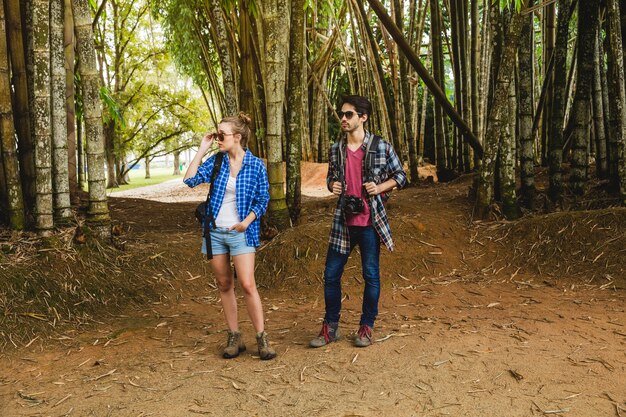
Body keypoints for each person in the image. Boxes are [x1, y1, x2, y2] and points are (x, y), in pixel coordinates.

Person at [310, 95, 407, 348]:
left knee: (371, 275)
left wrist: (380, 187)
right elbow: (331, 178)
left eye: (349, 114)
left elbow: (401, 176)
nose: (343, 118)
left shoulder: (381, 146)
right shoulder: (336, 149)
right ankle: (331, 327)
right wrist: (333, 185)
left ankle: (366, 327)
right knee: (331, 275)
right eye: (342, 114)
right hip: (343, 222)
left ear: (363, 117)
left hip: (371, 222)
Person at [184, 112, 276, 360]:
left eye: (221, 135)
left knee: (247, 284)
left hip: (242, 232)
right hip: (214, 231)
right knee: (225, 284)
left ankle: (261, 337)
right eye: (216, 135)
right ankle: (234, 335)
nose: (217, 139)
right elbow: (190, 180)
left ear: (237, 137)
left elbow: (262, 199)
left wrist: (246, 223)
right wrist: (202, 149)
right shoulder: (217, 161)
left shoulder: (256, 165)